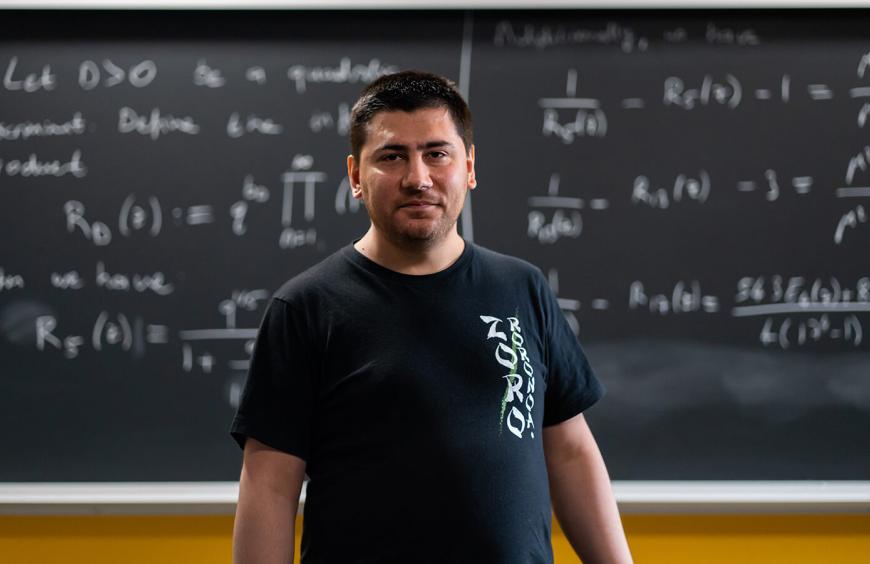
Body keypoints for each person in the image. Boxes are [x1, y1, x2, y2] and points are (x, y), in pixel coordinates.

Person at [230, 70, 632, 564]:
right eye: (392, 156)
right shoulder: (306, 309)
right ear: (355, 176)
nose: (417, 178)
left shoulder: (523, 289)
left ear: (470, 167)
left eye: (437, 154)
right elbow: (269, 485)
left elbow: (569, 453)